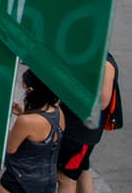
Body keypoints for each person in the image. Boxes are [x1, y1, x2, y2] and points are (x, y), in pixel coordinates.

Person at [56, 54, 119, 193]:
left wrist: (70, 88)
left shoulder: (105, 64)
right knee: (82, 169)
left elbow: (102, 103)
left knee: (65, 178)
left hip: (81, 133)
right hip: (75, 128)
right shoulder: (87, 57)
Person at [0, 69, 63, 193]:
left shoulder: (26, 121)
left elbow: (10, 149)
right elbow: (42, 131)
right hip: (47, 181)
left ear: (31, 91)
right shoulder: (58, 112)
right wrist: (23, 113)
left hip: (19, 181)